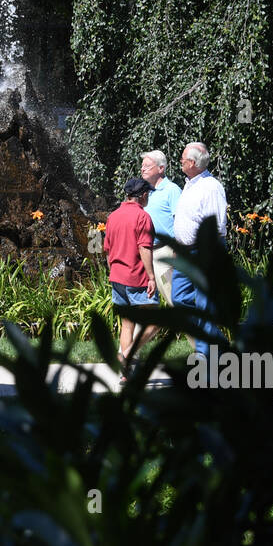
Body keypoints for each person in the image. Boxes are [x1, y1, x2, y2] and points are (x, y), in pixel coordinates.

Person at [171, 142, 227, 357]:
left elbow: (216, 226)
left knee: (205, 305)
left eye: (183, 158)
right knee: (179, 299)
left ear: (192, 163)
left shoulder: (211, 187)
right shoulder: (190, 184)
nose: (180, 161)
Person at [103, 176, 159, 382]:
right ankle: (125, 356)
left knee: (128, 324)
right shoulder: (142, 217)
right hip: (136, 277)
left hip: (117, 277)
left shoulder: (113, 216)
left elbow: (107, 250)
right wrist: (151, 276)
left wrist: (114, 272)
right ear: (143, 195)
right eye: (148, 194)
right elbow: (144, 247)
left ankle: (126, 375)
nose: (148, 197)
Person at [139, 149, 182, 307]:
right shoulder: (144, 193)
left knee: (173, 298)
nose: (142, 169)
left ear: (161, 168)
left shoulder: (172, 190)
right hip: (147, 251)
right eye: (142, 166)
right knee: (149, 304)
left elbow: (180, 221)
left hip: (166, 251)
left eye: (147, 166)